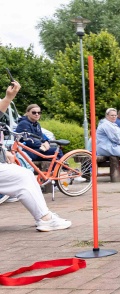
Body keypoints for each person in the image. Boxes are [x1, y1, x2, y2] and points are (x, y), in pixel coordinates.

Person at [0, 81, 72, 231]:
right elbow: (28, 139)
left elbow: (42, 136)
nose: (37, 115)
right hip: (30, 150)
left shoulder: (36, 124)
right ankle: (45, 218)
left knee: (48, 156)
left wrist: (45, 143)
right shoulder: (24, 123)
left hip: (23, 151)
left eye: (39, 112)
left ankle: (61, 173)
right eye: (34, 112)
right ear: (28, 113)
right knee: (25, 175)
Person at [97, 108, 120, 181]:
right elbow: (114, 137)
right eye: (112, 115)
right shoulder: (106, 124)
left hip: (110, 146)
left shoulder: (111, 124)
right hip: (106, 147)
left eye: (115, 115)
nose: (114, 117)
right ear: (107, 116)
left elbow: (118, 136)